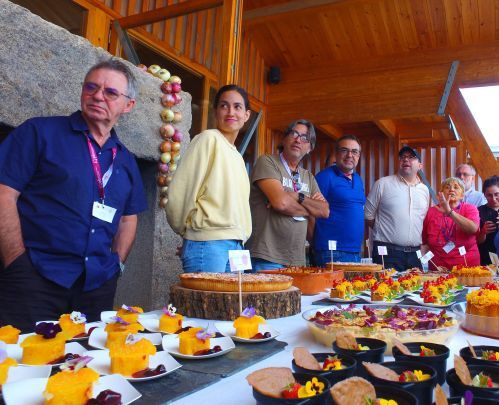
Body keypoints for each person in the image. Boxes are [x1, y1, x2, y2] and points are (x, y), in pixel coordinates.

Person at [0, 59, 147, 332]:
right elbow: (4, 193)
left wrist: (116, 266)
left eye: (110, 92)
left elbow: (129, 218)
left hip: (96, 289)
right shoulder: (39, 132)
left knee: (85, 357)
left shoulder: (126, 160)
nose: (98, 95)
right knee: (23, 357)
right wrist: (16, 260)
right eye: (91, 87)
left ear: (128, 105)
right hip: (35, 279)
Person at [166, 85, 252, 273]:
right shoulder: (208, 139)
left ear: (246, 115)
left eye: (237, 107)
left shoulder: (238, 157)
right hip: (209, 242)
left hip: (237, 245)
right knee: (207, 294)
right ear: (215, 112)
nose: (230, 112)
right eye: (224, 106)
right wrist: (191, 233)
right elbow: (181, 192)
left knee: (234, 295)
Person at [246, 120, 329, 270]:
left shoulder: (308, 177)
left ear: (310, 148)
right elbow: (281, 203)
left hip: (296, 261)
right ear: (284, 139)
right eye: (294, 134)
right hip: (266, 258)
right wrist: (311, 209)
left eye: (304, 137)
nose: (298, 139)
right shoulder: (267, 162)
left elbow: (324, 211)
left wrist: (297, 197)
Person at [365, 146, 430, 271]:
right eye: (403, 157)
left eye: (411, 157)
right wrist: (385, 230)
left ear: (420, 166)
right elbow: (368, 215)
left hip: (415, 254)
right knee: (385, 284)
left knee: (416, 284)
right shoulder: (382, 184)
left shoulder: (424, 190)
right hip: (387, 252)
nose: (406, 160)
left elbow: (421, 219)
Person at [312, 135, 365, 266]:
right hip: (331, 252)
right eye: (344, 150)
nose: (349, 155)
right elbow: (311, 211)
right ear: (336, 153)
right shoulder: (324, 177)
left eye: (354, 151)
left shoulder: (358, 179)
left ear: (358, 156)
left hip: (355, 251)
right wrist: (315, 243)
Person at [421, 177, 480, 270]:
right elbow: (425, 242)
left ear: (462, 195)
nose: (451, 189)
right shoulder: (431, 212)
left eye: (456, 187)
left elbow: (473, 229)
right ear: (441, 193)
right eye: (447, 187)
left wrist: (449, 211)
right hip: (438, 268)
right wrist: (423, 264)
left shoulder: (470, 209)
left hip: (466, 268)